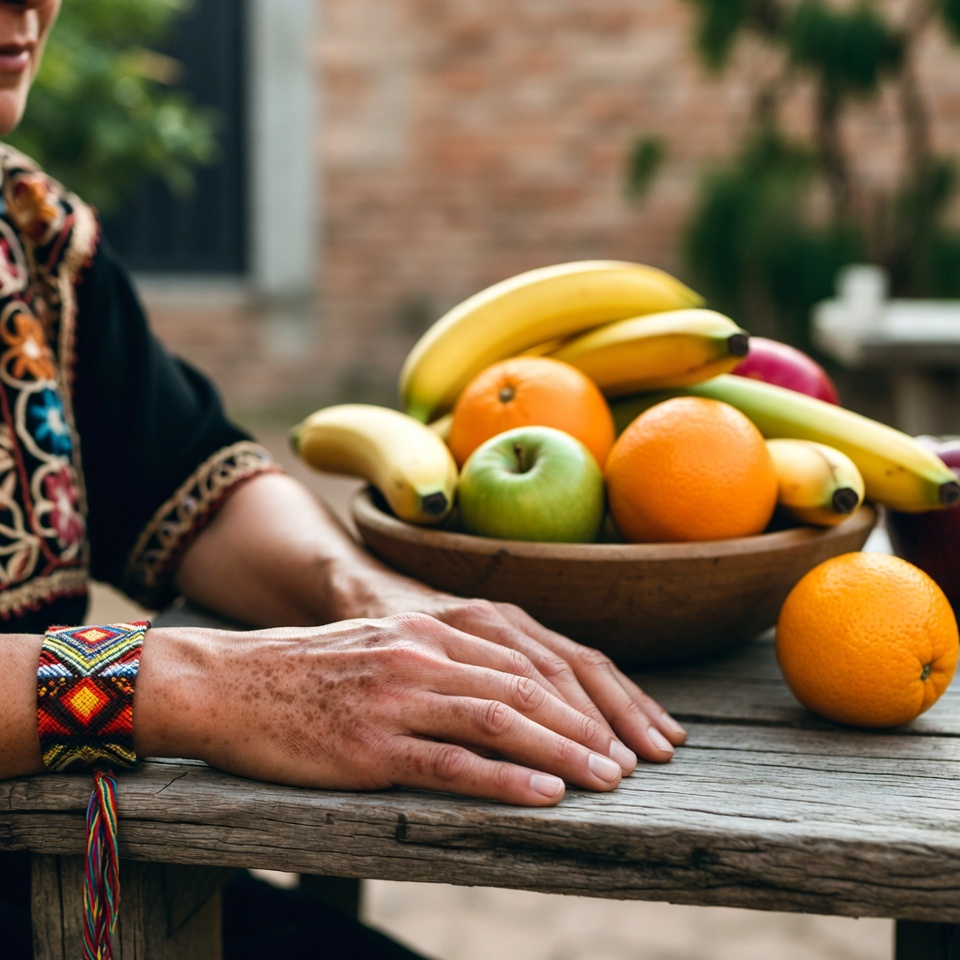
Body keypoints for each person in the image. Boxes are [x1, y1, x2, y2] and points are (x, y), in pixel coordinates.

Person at [0, 1, 686, 956]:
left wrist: (367, 595)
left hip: (80, 887)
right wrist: (196, 683)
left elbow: (187, 479)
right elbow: (190, 670)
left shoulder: (30, 236)